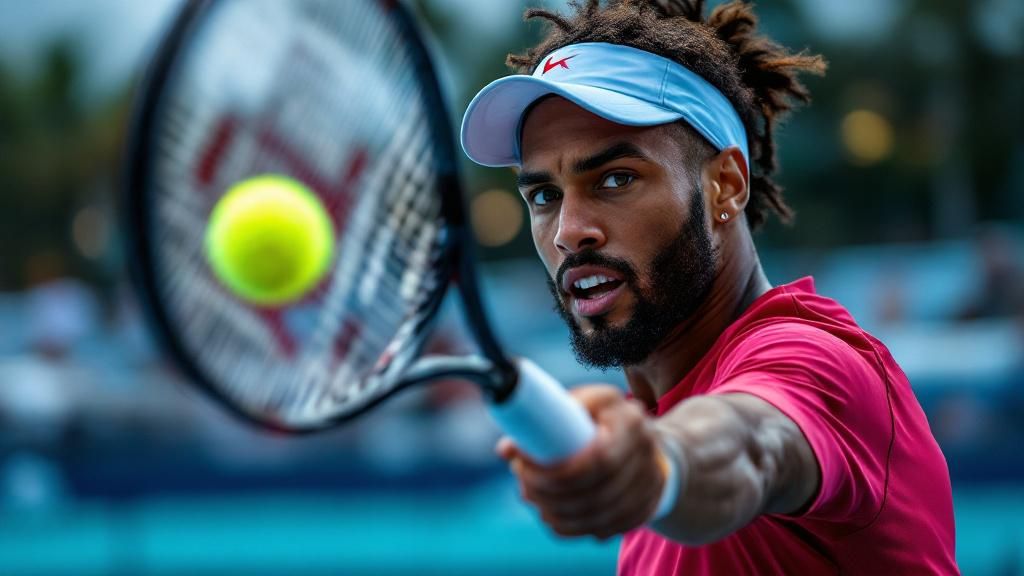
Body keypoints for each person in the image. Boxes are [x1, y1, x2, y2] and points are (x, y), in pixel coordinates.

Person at [459, 1, 958, 574]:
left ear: (725, 185)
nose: (569, 232)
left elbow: (751, 444)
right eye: (545, 196)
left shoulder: (814, 359)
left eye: (616, 179)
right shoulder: (652, 430)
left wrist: (659, 467)